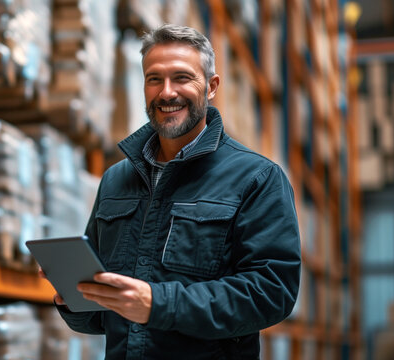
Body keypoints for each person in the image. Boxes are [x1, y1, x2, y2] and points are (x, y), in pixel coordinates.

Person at [47, 24, 301, 359]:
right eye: (154, 79)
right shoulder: (114, 181)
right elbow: (103, 317)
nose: (167, 92)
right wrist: (74, 298)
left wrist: (158, 304)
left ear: (210, 87)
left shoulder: (257, 178)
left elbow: (271, 293)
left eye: (182, 78)